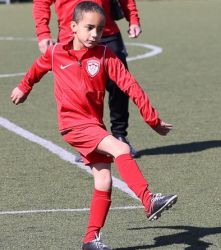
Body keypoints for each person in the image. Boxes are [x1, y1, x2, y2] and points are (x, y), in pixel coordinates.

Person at [11, 2, 177, 249]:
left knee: (104, 181)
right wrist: (23, 87)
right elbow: (37, 68)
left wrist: (152, 119)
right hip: (73, 125)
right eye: (89, 28)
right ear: (73, 27)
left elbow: (130, 85)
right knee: (121, 149)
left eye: (99, 29)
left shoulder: (104, 55)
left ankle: (91, 239)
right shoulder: (56, 53)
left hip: (94, 125)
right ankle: (148, 199)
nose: (94, 35)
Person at [33, 0, 143, 159]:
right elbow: (41, 2)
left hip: (108, 34)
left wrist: (133, 18)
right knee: (81, 91)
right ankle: (89, 143)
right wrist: (43, 33)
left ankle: (119, 135)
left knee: (120, 86)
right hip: (71, 36)